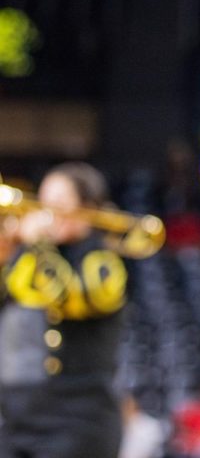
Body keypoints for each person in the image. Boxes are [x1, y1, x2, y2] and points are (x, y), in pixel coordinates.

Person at [0, 162, 127, 458]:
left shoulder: (104, 261)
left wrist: (39, 245)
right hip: (16, 421)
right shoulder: (25, 256)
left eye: (57, 205)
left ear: (88, 210)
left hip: (77, 423)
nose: (45, 214)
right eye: (43, 204)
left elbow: (65, 296)